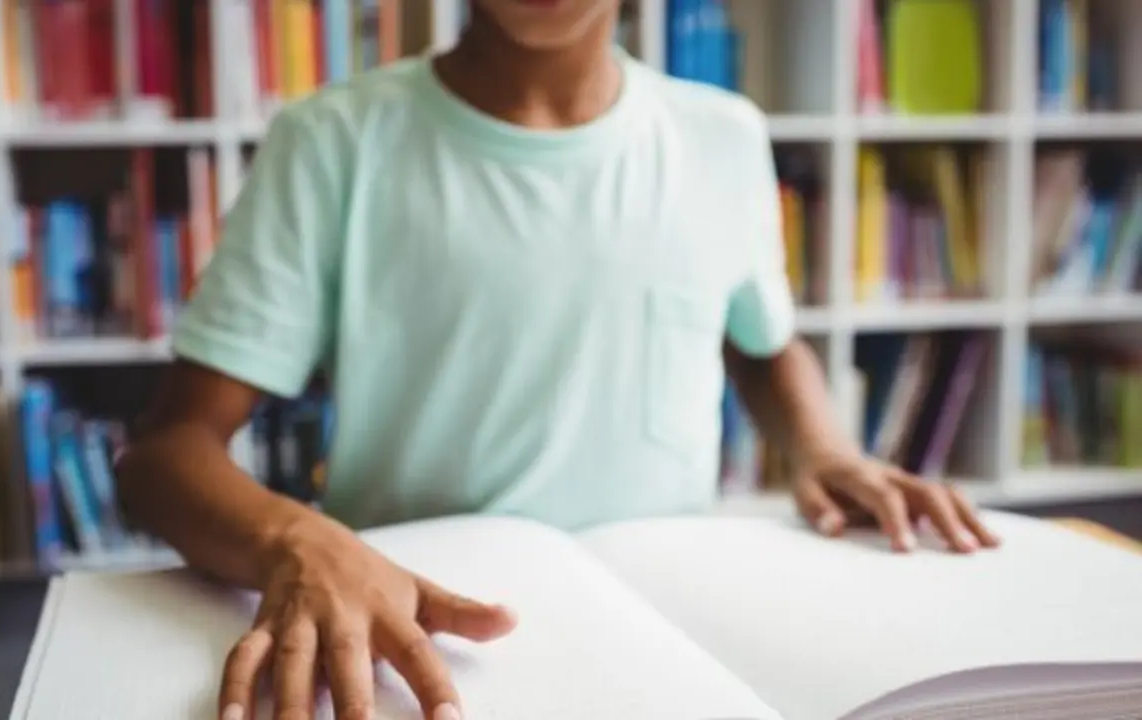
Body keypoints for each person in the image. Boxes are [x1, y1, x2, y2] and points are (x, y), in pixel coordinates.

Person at [114, 1, 1001, 719]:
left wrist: (825, 448)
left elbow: (760, 343)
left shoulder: (723, 136)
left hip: (669, 638)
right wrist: (296, 541)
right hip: (415, 643)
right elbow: (164, 458)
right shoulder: (331, 142)